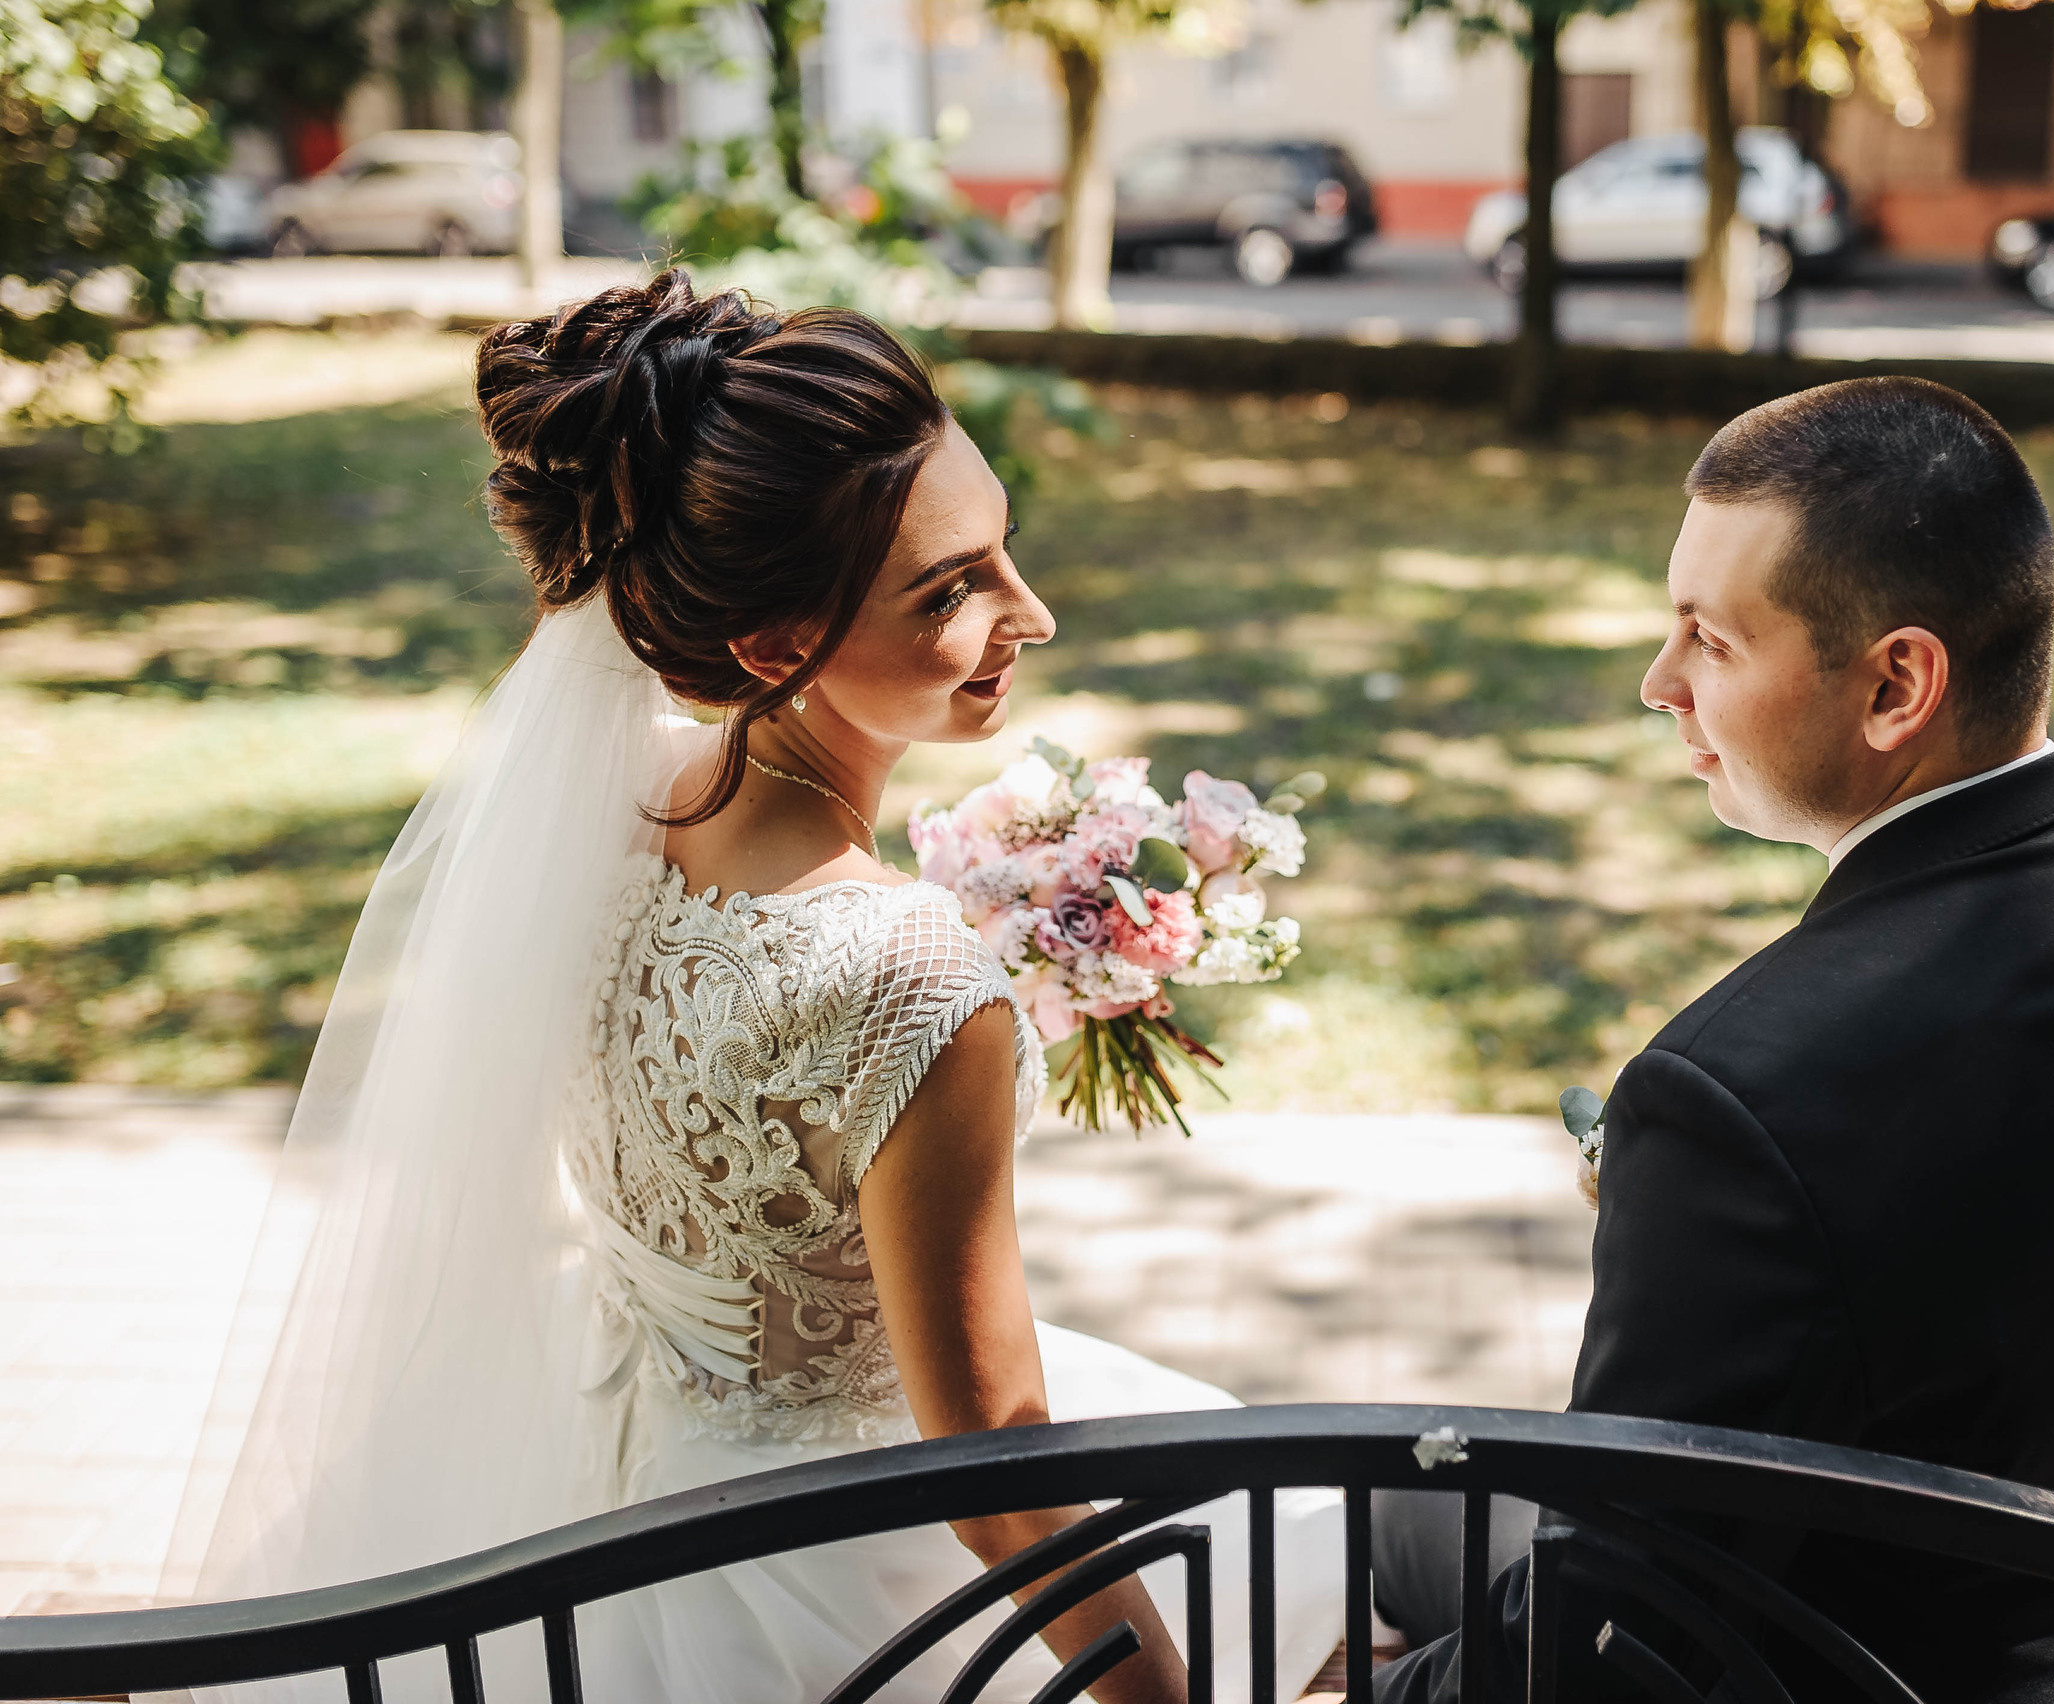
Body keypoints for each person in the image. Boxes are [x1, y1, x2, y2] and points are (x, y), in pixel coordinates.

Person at [157, 270, 1342, 1704]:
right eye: (954, 587)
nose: (1032, 614)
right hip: (815, 1577)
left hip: (601, 1478)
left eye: (1004, 549)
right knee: (1273, 1533)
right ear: (777, 645)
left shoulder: (603, 803)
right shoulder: (914, 980)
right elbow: (994, 1469)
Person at [1373, 377, 2054, 1704]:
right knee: (1403, 1511)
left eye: (1709, 641)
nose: (1656, 685)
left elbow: (1611, 1645)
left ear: (1897, 683)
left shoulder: (1734, 1097)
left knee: (1347, 1522)